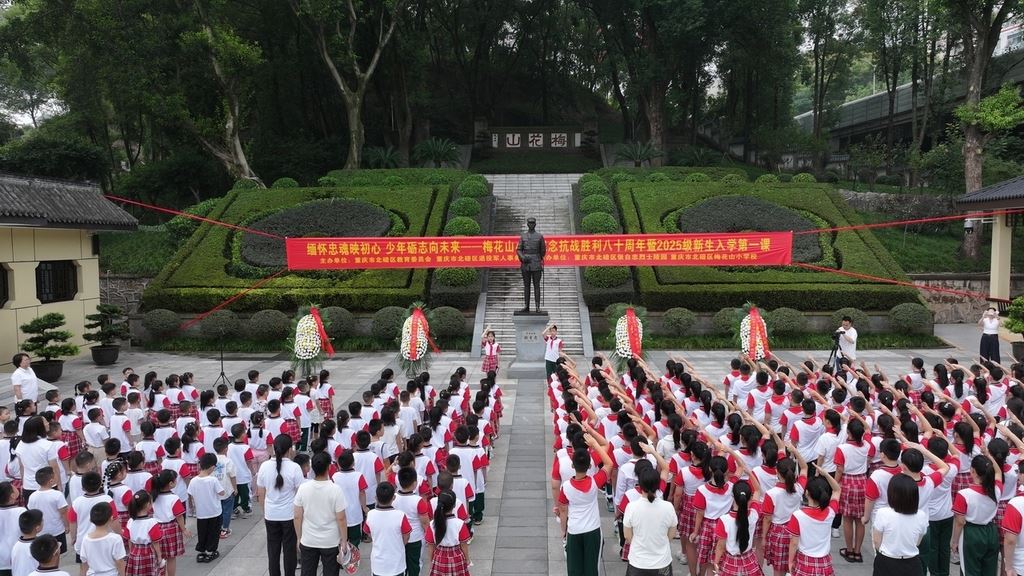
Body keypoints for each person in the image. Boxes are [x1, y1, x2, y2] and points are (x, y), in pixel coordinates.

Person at [557, 432, 614, 576]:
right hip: (592, 530)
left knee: (574, 570)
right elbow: (609, 464)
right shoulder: (595, 482)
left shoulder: (566, 487)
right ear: (589, 466)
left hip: (574, 530)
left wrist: (563, 531)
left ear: (572, 464)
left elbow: (563, 510)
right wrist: (594, 444)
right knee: (591, 570)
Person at [256, 435, 305, 576]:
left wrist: (265, 511)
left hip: (271, 514)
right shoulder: (294, 468)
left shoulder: (264, 466)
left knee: (273, 550)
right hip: (289, 515)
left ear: (273, 447)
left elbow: (261, 493)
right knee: (289, 550)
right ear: (290, 449)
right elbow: (300, 494)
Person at [293, 452, 348, 576]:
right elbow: (341, 518)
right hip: (330, 541)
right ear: (329, 467)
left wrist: (299, 537)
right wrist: (344, 540)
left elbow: (297, 516)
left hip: (308, 539)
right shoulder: (336, 489)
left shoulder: (303, 488)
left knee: (307, 572)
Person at [951, 454, 1001, 576]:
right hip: (991, 531)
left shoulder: (964, 494)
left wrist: (954, 541)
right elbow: (998, 472)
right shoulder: (996, 489)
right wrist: (988, 455)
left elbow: (960, 522)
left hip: (971, 533)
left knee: (970, 571)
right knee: (989, 571)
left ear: (972, 471)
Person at [622, 465, 676, 576]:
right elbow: (671, 535)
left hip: (638, 562)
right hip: (662, 563)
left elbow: (627, 536)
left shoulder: (632, 507)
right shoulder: (668, 507)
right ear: (658, 485)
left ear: (640, 485)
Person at [871, 473, 929, 576]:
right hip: (912, 562)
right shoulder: (921, 515)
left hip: (886, 561)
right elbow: (917, 542)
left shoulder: (883, 513)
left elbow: (877, 541)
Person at [364, 481, 411, 576]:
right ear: (393, 497)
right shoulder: (400, 515)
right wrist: (399, 544)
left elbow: (369, 533)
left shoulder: (370, 515)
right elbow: (406, 535)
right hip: (397, 564)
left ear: (376, 498)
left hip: (378, 565)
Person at [187, 453, 225, 563]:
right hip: (214, 512)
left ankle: (202, 550)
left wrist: (192, 506)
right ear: (212, 467)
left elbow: (190, 494)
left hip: (201, 513)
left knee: (202, 532)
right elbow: (221, 492)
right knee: (213, 532)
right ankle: (211, 550)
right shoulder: (213, 480)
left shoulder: (193, 480)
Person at [79, 502, 126, 576]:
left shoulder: (86, 539)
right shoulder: (115, 539)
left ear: (91, 520)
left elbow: (84, 563)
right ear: (111, 518)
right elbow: (120, 561)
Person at [516, 216, 545, 314]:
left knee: (537, 285)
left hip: (536, 263)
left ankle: (537, 306)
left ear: (535, 224)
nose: (531, 224)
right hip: (525, 264)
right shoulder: (523, 236)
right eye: (530, 223)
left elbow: (543, 251)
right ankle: (526, 306)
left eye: (533, 223)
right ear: (527, 224)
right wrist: (522, 257)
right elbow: (519, 249)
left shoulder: (540, 236)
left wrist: (537, 258)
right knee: (526, 285)